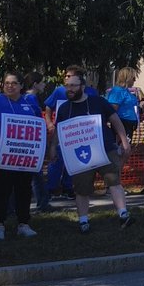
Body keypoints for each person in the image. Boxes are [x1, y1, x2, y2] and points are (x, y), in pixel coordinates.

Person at [49, 69, 134, 233]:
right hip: (80, 156)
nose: (70, 89)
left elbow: (115, 121)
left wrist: (124, 142)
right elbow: (60, 130)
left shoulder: (98, 102)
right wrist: (52, 147)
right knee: (81, 189)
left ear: (82, 86)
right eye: (67, 86)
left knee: (114, 181)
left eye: (73, 85)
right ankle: (83, 222)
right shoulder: (65, 108)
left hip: (106, 149)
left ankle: (123, 214)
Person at [0, 73, 43, 239]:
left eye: (14, 83)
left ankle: (23, 223)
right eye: (6, 83)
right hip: (1, 156)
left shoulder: (30, 104)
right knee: (2, 190)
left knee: (24, 190)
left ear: (21, 85)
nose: (10, 86)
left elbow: (39, 128)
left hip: (25, 157)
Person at [43, 65, 98, 200]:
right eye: (66, 77)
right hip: (62, 132)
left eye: (69, 76)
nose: (66, 79)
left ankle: (68, 188)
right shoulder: (59, 91)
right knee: (56, 161)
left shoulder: (91, 93)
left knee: (74, 161)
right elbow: (48, 107)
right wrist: (49, 122)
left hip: (81, 133)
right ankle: (51, 189)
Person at [22, 71, 53, 212]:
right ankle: (42, 203)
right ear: (35, 84)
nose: (44, 85)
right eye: (42, 82)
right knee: (35, 175)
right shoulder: (30, 99)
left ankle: (42, 203)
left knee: (35, 174)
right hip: (31, 142)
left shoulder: (29, 98)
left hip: (32, 141)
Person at [106, 67, 142, 145]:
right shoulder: (117, 91)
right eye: (133, 78)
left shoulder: (126, 91)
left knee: (126, 150)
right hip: (122, 124)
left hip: (129, 125)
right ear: (127, 78)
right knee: (122, 150)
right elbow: (112, 109)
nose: (135, 80)